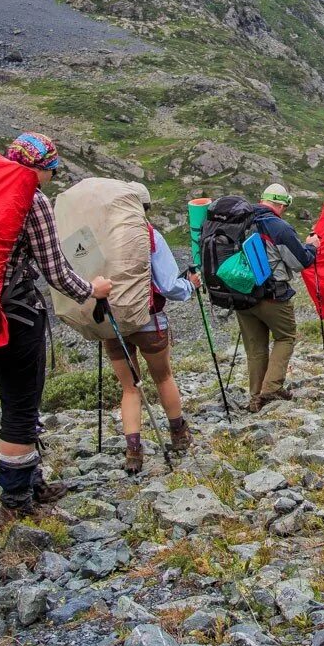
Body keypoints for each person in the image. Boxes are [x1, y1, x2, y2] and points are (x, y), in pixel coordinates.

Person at [0, 132, 113, 521]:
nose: (52, 176)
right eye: (53, 169)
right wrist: (92, 291)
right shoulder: (31, 199)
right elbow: (57, 272)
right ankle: (15, 501)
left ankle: (31, 480)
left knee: (16, 398)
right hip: (14, 316)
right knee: (20, 403)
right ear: (41, 168)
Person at [107, 186, 198, 474]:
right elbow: (170, 285)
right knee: (163, 377)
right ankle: (178, 434)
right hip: (149, 320)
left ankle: (133, 451)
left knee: (129, 388)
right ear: (146, 207)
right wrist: (191, 286)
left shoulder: (102, 235)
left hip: (113, 325)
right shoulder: (149, 236)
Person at [237, 183, 319, 411]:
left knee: (255, 347)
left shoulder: (239, 221)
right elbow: (300, 261)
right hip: (272, 294)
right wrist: (312, 247)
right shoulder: (277, 226)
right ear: (281, 204)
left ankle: (256, 397)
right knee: (285, 337)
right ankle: (271, 389)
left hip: (241, 294)